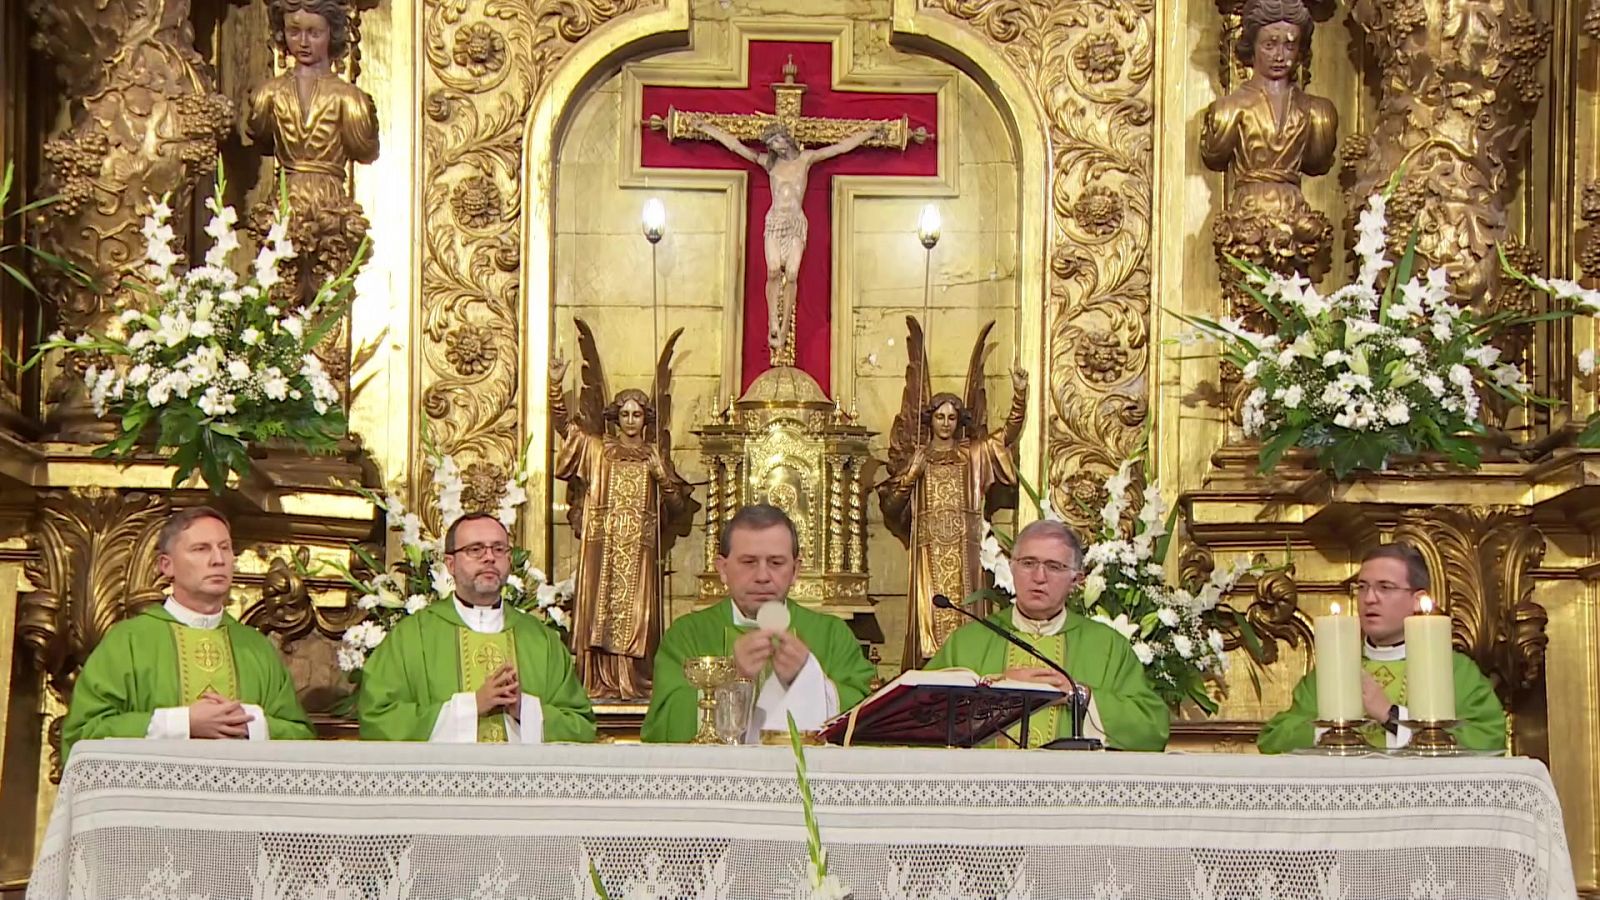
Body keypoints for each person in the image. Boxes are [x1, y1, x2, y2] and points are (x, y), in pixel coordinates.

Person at [61, 508, 314, 761]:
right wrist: (183, 724)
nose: (218, 560)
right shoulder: (128, 642)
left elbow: (301, 738)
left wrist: (248, 725)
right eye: (201, 549)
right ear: (166, 565)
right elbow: (84, 736)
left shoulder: (256, 648)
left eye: (225, 548)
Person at [927, 519, 1169, 751]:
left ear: (1076, 579)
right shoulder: (968, 641)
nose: (1039, 577)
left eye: (1054, 566)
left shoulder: (1107, 646)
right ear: (1011, 567)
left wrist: (1079, 696)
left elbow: (1151, 729)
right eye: (1028, 563)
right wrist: (998, 690)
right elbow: (922, 717)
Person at [642, 504, 876, 742]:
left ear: (795, 570)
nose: (762, 576)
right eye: (749, 562)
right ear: (722, 569)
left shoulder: (831, 634)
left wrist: (808, 679)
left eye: (776, 563)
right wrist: (733, 680)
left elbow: (868, 715)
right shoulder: (687, 635)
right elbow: (663, 725)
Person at [358, 513, 596, 743]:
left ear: (509, 560)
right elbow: (379, 719)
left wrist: (524, 710)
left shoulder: (541, 640)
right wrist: (473, 706)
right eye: (475, 549)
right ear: (450, 563)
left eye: (499, 549)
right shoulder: (411, 637)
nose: (489, 557)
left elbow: (580, 726)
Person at [1258, 543, 1506, 753]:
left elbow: (1489, 738)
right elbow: (1273, 738)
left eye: (1385, 587)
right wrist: (1333, 729)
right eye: (1362, 587)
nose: (1369, 599)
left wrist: (1392, 715)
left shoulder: (1454, 671)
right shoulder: (1338, 668)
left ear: (1418, 600)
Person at [691, 116, 886, 353]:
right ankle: (772, 319)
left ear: (787, 138)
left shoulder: (806, 159)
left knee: (792, 274)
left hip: (795, 224)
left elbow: (841, 147)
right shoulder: (770, 164)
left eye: (778, 140)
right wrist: (707, 128)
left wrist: (869, 132)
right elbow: (735, 145)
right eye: (772, 144)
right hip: (775, 222)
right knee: (773, 270)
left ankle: (783, 329)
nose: (777, 146)